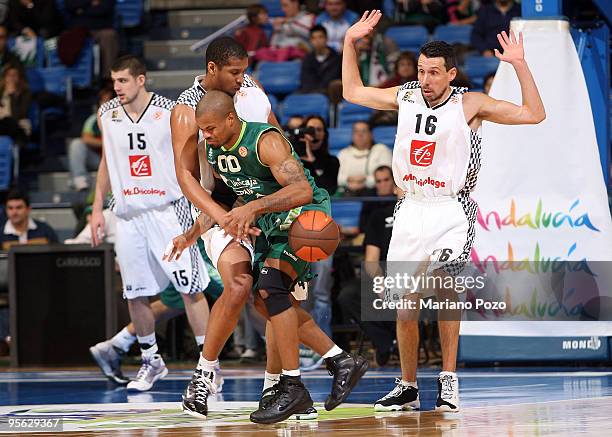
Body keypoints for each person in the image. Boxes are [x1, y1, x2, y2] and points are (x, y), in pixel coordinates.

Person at [342, 10, 545, 412]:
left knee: (447, 291)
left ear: (451, 74)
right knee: (406, 303)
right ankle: (408, 385)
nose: (425, 79)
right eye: (421, 70)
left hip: (452, 210)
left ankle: (448, 381)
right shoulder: (405, 95)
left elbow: (533, 113)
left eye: (434, 72)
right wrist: (349, 41)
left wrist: (520, 65)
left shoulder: (471, 103)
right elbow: (351, 92)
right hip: (411, 208)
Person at [169, 36, 367, 423]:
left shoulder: (253, 98)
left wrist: (259, 204)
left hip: (274, 206)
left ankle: (284, 385)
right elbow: (187, 177)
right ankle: (206, 377)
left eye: (244, 72)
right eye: (234, 73)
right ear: (212, 70)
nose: (242, 79)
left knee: (270, 294)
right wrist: (209, 222)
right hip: (223, 208)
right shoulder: (188, 112)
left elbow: (283, 163)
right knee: (254, 291)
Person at [90, 55, 212, 392]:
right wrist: (97, 207)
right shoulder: (106, 113)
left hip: (167, 210)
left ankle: (207, 367)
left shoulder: (170, 111)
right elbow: (106, 161)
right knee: (136, 293)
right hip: (128, 213)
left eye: (123, 81)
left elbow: (196, 154)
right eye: (114, 81)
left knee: (191, 289)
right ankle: (151, 361)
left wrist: (203, 197)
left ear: (141, 80)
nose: (117, 88)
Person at [68, 87, 113, 191]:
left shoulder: (123, 119)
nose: (106, 103)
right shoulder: (93, 120)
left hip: (116, 160)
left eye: (109, 100)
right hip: (98, 158)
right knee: (76, 144)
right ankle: (80, 178)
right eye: (103, 100)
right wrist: (105, 143)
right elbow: (86, 139)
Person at [64, 0, 119, 78]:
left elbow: (105, 9)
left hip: (101, 27)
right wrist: (90, 2)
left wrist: (81, 10)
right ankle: (73, 77)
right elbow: (69, 5)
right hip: (78, 28)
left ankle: (108, 77)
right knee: (67, 37)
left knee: (109, 35)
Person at [337, 120, 392, 195]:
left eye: (364, 131)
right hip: (347, 194)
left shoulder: (381, 150)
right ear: (352, 135)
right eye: (356, 131)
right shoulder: (343, 153)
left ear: (371, 134)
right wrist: (348, 179)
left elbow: (388, 177)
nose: (360, 134)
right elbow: (336, 177)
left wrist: (365, 181)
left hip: (375, 195)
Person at [299, 25, 341, 99]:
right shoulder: (307, 59)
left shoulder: (336, 58)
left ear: (326, 39)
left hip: (330, 95)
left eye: (320, 37)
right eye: (314, 38)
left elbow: (332, 79)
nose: (317, 41)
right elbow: (306, 81)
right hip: (310, 94)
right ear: (310, 41)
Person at [0, 64, 31, 148]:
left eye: (14, 75)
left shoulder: (25, 93)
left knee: (8, 121)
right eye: (9, 75)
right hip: (2, 125)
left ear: (19, 78)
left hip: (18, 125)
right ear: (4, 78)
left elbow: (19, 114)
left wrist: (12, 95)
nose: (11, 78)